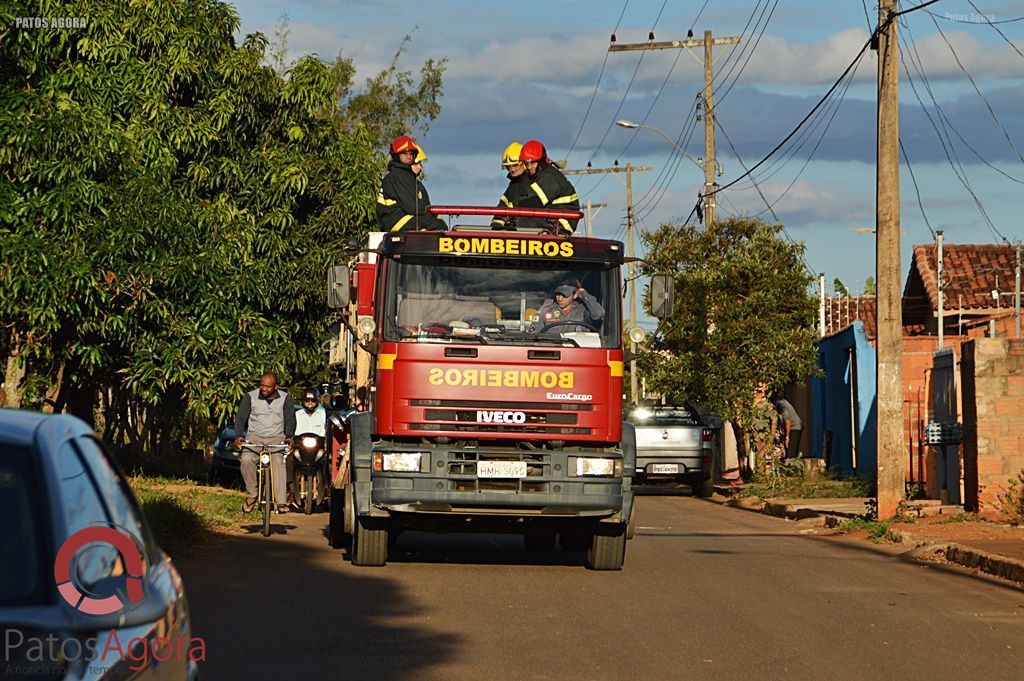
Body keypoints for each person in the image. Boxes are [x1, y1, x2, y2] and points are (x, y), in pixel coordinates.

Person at [235, 372, 296, 514]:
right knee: (246, 460)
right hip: (255, 438)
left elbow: (290, 419)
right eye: (261, 385)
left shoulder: (285, 399)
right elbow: (241, 418)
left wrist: (289, 436)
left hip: (276, 438)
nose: (264, 389)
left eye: (268, 386)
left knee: (279, 463)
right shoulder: (250, 397)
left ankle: (281, 502)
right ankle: (252, 494)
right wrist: (238, 435)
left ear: (276, 387)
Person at [376, 135, 447, 233]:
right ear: (396, 156)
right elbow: (412, 206)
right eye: (405, 154)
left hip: (402, 218)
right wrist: (432, 216)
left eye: (411, 154)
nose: (409, 157)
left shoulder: (406, 176)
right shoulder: (397, 176)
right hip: (396, 221)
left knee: (435, 223)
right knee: (438, 225)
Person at [515, 139, 580, 236]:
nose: (529, 167)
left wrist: (512, 211)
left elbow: (532, 201)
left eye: (532, 163)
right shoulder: (535, 177)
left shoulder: (549, 176)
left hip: (562, 222)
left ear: (541, 162)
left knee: (524, 221)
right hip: (550, 216)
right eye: (526, 164)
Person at [287, 388, 327, 505]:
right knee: (289, 460)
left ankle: (328, 489)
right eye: (307, 400)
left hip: (318, 448)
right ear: (303, 402)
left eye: (313, 401)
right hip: (300, 447)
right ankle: (290, 489)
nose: (310, 403)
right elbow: (290, 431)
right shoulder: (296, 415)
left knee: (328, 462)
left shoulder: (323, 414)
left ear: (317, 401)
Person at [530, 280, 604, 333]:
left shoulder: (583, 310)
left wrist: (584, 294)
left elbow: (598, 314)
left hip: (577, 351)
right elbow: (534, 334)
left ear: (575, 295)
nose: (560, 299)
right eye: (558, 294)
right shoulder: (546, 310)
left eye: (565, 295)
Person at [490, 142, 530, 230]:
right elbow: (502, 206)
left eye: (515, 165)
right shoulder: (513, 185)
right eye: (508, 167)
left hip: (533, 231)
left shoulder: (534, 181)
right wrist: (496, 226)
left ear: (524, 162)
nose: (512, 170)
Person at [772, 394, 803, 459]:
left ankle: (792, 466)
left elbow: (787, 421)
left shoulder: (780, 404)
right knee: (788, 450)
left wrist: (787, 437)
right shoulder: (781, 401)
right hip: (791, 427)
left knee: (791, 451)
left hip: (794, 427)